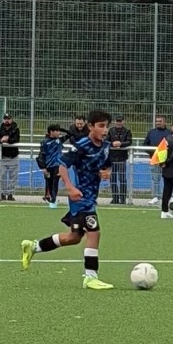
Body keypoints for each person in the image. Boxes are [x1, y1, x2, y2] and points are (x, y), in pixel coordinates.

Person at [19, 109, 115, 290]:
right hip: (81, 199)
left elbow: (106, 166)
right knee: (94, 233)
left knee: (74, 237)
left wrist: (105, 173)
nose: (104, 130)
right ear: (90, 126)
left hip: (90, 198)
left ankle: (34, 247)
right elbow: (62, 166)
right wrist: (70, 187)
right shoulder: (81, 145)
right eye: (101, 126)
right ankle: (90, 277)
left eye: (106, 126)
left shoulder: (105, 146)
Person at [0, 112, 21, 202]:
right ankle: (2, 193)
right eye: (5, 119)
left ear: (11, 120)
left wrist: (7, 140)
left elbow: (16, 139)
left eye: (8, 119)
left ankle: (10, 194)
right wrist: (1, 140)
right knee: (2, 176)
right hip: (3, 156)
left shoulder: (16, 129)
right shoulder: (0, 129)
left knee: (13, 176)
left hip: (13, 156)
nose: (7, 121)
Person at [143, 114, 171, 204]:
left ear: (164, 122)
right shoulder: (151, 132)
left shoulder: (169, 133)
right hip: (155, 160)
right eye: (157, 121)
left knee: (170, 179)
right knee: (155, 179)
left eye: (160, 121)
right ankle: (156, 196)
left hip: (167, 161)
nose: (158, 123)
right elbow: (145, 145)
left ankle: (171, 197)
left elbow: (172, 146)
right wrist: (153, 153)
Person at [106, 114, 132, 204]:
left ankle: (123, 199)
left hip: (122, 158)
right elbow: (106, 141)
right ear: (114, 122)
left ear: (123, 122)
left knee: (122, 179)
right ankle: (115, 198)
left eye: (120, 121)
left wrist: (120, 144)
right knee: (112, 179)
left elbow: (129, 141)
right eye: (117, 121)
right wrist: (113, 144)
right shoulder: (110, 130)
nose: (119, 123)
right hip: (112, 157)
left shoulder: (127, 131)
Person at [38, 124, 65, 208]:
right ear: (51, 132)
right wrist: (43, 167)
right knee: (49, 182)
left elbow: (70, 134)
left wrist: (62, 129)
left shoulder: (59, 140)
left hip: (58, 165)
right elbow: (41, 155)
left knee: (55, 183)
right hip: (49, 165)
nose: (59, 132)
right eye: (57, 131)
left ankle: (53, 200)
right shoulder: (45, 142)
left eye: (59, 130)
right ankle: (49, 197)